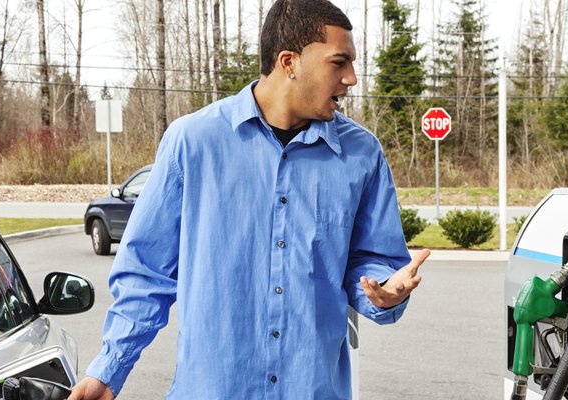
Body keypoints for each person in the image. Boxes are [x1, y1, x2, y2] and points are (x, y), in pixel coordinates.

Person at [68, 0, 429, 398]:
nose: (352, 79)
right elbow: (146, 273)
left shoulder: (363, 154)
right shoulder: (192, 143)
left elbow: (370, 264)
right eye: (339, 63)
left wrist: (383, 291)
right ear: (289, 61)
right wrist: (108, 370)